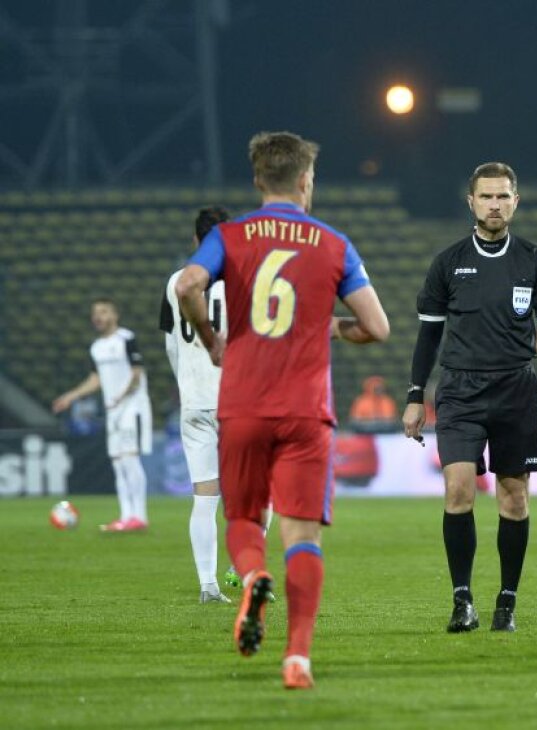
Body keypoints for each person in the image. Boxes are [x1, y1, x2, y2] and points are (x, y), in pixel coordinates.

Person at [175, 130, 389, 689]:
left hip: (242, 404)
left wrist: (211, 336)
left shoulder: (230, 235)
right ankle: (297, 658)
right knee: (303, 536)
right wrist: (331, 328)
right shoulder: (334, 243)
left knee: (243, 519)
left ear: (256, 180)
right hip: (305, 411)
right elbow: (378, 326)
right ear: (305, 180)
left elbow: (189, 284)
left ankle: (251, 577)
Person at [403, 162, 537, 634]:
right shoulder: (448, 263)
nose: (494, 205)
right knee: (458, 491)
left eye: (503, 197)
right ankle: (462, 601)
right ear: (471, 202)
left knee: (514, 500)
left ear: (516, 201)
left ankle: (507, 601)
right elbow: (428, 338)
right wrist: (416, 396)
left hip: (516, 389)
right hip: (459, 390)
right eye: (486, 197)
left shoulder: (534, 260)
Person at [161, 206, 234, 603]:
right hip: (236, 402)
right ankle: (242, 567)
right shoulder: (240, 279)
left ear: (195, 240)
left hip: (195, 403)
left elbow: (171, 343)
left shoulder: (176, 282)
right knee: (261, 491)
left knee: (204, 496)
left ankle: (208, 585)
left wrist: (185, 384)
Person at [52, 299, 152, 531]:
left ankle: (140, 515)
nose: (98, 316)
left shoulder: (126, 338)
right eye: (95, 313)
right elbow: (95, 380)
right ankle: (126, 516)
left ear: (115, 315)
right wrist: (71, 396)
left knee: (129, 459)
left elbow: (137, 373)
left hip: (132, 406)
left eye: (104, 312)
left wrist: (121, 396)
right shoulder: (96, 347)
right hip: (113, 410)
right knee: (118, 463)